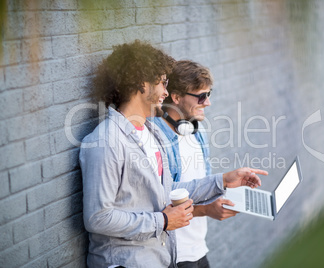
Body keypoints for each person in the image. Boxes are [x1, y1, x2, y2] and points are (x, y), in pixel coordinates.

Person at [79, 40, 267, 268]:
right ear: (142, 84)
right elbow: (98, 218)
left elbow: (167, 192)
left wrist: (223, 180)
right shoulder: (106, 141)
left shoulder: (150, 133)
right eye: (162, 83)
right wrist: (164, 220)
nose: (166, 92)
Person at [153, 60, 238, 268]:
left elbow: (201, 186)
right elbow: (161, 201)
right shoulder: (155, 139)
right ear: (176, 97)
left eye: (209, 95)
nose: (207, 103)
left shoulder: (196, 131)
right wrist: (207, 209)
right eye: (201, 96)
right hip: (175, 254)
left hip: (198, 247)